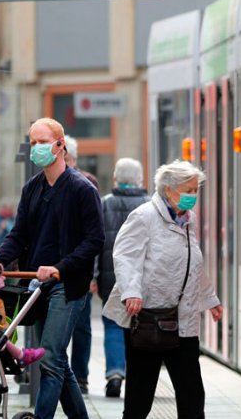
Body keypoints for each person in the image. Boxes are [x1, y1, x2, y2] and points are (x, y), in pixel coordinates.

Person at [0, 117, 104, 419]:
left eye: (41, 141)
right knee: (55, 361)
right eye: (32, 142)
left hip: (68, 285)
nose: (35, 148)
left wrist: (60, 268)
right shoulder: (32, 189)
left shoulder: (82, 189)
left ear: (60, 145)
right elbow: (19, 234)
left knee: (49, 359)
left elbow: (95, 240)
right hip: (37, 286)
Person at [103, 159, 223, 419]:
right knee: (140, 397)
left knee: (192, 395)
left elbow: (194, 264)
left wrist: (210, 299)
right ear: (169, 190)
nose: (193, 196)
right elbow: (126, 256)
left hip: (183, 322)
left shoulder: (187, 220)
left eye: (195, 191)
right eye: (188, 190)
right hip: (148, 319)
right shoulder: (144, 217)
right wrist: (131, 292)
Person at [96, 158, 150, 398]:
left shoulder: (104, 205)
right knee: (140, 328)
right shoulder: (149, 204)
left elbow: (96, 242)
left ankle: (115, 374)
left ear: (116, 178)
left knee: (113, 325)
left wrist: (94, 275)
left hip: (111, 276)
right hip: (143, 278)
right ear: (140, 179)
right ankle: (139, 379)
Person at [64, 135, 99, 394]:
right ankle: (69, 378)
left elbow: (96, 236)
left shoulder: (87, 185)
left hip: (80, 270)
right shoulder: (42, 184)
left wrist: (93, 273)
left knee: (82, 326)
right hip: (55, 271)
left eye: (65, 158)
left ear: (72, 159)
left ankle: (81, 376)